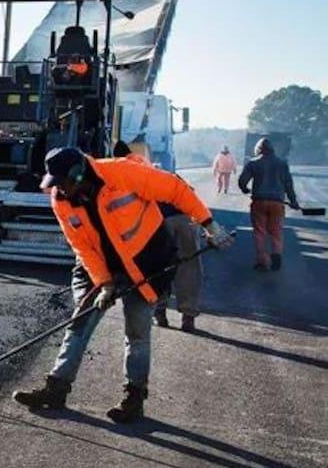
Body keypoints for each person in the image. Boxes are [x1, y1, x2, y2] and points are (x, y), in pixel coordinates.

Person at [13, 147, 232, 423]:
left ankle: (134, 397)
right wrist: (105, 284)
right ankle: (56, 388)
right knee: (81, 321)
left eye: (63, 182)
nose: (59, 190)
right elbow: (81, 246)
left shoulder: (122, 172)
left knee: (137, 329)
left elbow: (175, 189)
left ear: (79, 173)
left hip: (147, 260)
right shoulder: (61, 200)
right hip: (101, 264)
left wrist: (209, 224)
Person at [111, 141, 204, 331]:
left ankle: (160, 313)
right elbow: (189, 193)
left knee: (159, 266)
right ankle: (188, 317)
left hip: (161, 221)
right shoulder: (159, 170)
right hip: (186, 218)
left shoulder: (123, 174)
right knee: (189, 266)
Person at [239, 137, 299, 271]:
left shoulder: (253, 163)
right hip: (277, 203)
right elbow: (288, 185)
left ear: (258, 149)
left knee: (259, 231)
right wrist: (293, 201)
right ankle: (276, 254)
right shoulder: (282, 163)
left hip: (259, 202)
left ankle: (262, 261)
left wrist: (245, 189)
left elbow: (242, 181)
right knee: (276, 231)